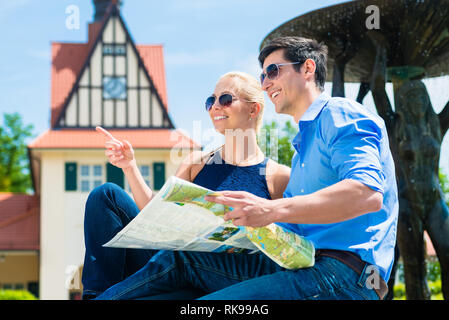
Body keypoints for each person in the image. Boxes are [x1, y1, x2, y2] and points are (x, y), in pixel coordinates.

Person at [202, 36, 399, 300]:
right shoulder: (301, 153)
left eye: (273, 71)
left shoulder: (342, 114)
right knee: (184, 262)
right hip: (304, 266)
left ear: (307, 68)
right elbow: (289, 231)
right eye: (262, 77)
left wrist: (270, 209)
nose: (265, 83)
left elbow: (367, 193)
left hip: (346, 275)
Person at [81, 71, 291, 300]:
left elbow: (281, 245)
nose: (215, 107)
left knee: (180, 260)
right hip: (167, 263)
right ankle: (96, 295)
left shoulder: (278, 176)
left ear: (253, 109)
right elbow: (155, 212)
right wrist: (130, 166)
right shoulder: (196, 162)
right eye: (211, 101)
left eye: (225, 99)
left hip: (216, 277)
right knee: (106, 195)